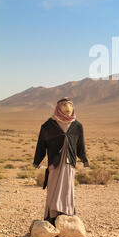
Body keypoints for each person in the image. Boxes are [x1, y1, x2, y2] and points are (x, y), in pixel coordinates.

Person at [33, 97, 90, 226]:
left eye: (69, 104)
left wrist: (84, 159)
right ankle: (52, 216)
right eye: (64, 105)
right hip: (54, 163)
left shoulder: (77, 126)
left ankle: (67, 214)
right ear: (58, 107)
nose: (67, 107)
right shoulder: (48, 125)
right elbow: (41, 144)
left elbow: (81, 145)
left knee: (67, 188)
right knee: (53, 188)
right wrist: (37, 160)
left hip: (69, 164)